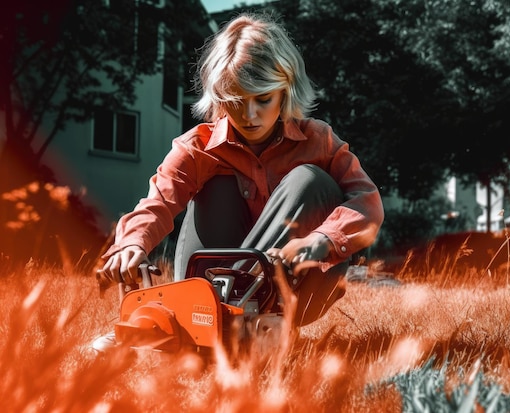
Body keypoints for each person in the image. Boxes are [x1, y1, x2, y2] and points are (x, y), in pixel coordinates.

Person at [93, 12, 384, 350]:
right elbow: (157, 202)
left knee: (310, 180)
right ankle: (193, 323)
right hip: (207, 277)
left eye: (263, 100)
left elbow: (368, 202)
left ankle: (217, 319)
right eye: (235, 101)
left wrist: (321, 240)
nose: (249, 116)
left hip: (298, 281)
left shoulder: (318, 141)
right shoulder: (197, 146)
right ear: (219, 97)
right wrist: (131, 244)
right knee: (216, 184)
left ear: (285, 91)